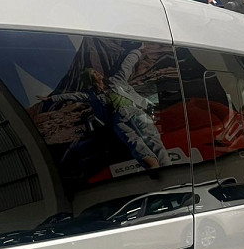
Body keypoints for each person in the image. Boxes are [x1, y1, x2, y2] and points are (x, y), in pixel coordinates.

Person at [42, 48, 171, 170]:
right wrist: (52, 99)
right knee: (135, 143)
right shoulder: (92, 95)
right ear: (90, 79)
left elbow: (126, 65)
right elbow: (72, 96)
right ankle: (153, 167)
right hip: (118, 119)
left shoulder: (117, 81)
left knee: (152, 138)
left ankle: (166, 166)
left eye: (95, 71)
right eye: (93, 73)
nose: (97, 73)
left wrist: (137, 51)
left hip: (134, 111)